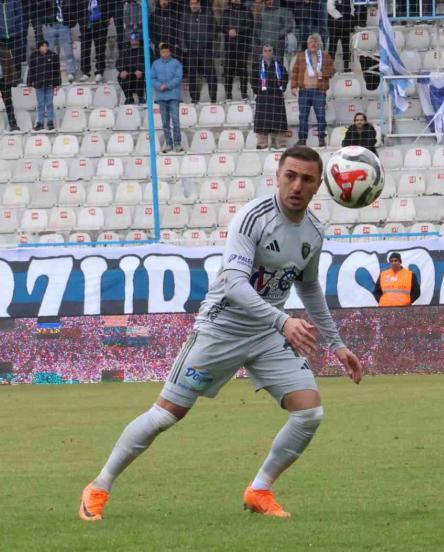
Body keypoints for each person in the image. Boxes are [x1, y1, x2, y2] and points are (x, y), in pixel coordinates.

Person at [78, 145, 364, 522]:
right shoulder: (252, 218)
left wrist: (337, 345)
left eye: (307, 179)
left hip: (266, 334)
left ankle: (259, 490)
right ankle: (98, 486)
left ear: (318, 186)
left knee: (309, 413)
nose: (297, 185)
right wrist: (283, 321)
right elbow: (234, 283)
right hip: (221, 328)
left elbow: (308, 287)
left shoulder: (314, 231)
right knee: (165, 415)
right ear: (278, 177)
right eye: (290, 176)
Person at [291, 33, 334, 147]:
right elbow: (295, 71)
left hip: (319, 91)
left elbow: (332, 71)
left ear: (318, 44)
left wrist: (323, 73)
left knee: (321, 116)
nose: (313, 44)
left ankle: (321, 139)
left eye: (315, 42)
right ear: (307, 44)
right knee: (303, 117)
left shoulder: (325, 56)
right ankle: (302, 140)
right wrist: (293, 86)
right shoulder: (301, 56)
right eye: (310, 42)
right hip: (304, 91)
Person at [252, 44, 288, 149]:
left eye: (270, 50)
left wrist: (282, 88)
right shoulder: (257, 66)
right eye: (265, 51)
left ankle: (280, 143)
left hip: (276, 97)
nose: (268, 53)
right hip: (263, 97)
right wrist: (258, 91)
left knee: (279, 120)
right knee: (262, 120)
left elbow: (285, 77)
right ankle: (262, 143)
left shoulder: (279, 65)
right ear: (262, 53)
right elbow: (253, 80)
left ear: (273, 52)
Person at [183, 0, 218, 103]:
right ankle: (194, 98)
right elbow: (182, 32)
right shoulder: (186, 17)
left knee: (211, 73)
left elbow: (214, 31)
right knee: (192, 75)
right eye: (191, 4)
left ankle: (213, 98)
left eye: (195, 3)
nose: (193, 6)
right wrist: (185, 47)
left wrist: (206, 42)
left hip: (205, 50)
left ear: (199, 4)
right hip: (191, 50)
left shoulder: (208, 15)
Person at [151, 44, 183, 153]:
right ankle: (169, 143)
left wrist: (167, 85)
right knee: (165, 122)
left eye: (167, 52)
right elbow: (152, 78)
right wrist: (159, 86)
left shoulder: (176, 63)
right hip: (161, 96)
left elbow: (178, 77)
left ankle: (177, 143)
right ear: (160, 52)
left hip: (173, 95)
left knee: (175, 120)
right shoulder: (155, 64)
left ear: (170, 52)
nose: (165, 54)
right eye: (163, 52)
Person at [40, 0, 79, 82]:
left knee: (68, 50)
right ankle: (48, 72)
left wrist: (72, 20)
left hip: (64, 24)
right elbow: (41, 5)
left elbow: (73, 6)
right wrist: (45, 20)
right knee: (48, 50)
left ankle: (71, 72)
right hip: (50, 24)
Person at [223, 0, 254, 100]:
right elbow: (222, 26)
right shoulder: (226, 11)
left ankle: (244, 94)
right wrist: (228, 31)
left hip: (242, 45)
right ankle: (228, 94)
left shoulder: (247, 11)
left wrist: (237, 31)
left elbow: (250, 25)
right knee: (229, 70)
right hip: (230, 46)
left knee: (243, 70)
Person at [27, 39, 61, 131]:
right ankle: (40, 123)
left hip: (50, 84)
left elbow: (57, 71)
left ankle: (50, 122)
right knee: (41, 104)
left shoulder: (53, 55)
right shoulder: (34, 56)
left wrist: (58, 83)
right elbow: (31, 71)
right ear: (39, 47)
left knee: (49, 103)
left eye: (46, 46)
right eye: (43, 46)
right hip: (39, 85)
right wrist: (29, 84)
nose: (45, 48)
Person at [0, 0, 24, 78]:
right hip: (1, 36)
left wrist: (16, 27)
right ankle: (5, 78)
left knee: (16, 58)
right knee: (3, 59)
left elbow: (20, 16)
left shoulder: (15, 2)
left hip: (15, 35)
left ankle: (17, 78)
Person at [255, 0, 294, 65]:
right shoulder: (261, 12)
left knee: (278, 65)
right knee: (263, 66)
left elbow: (289, 26)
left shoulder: (283, 11)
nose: (269, 1)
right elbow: (257, 27)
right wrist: (261, 38)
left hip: (278, 44)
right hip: (264, 44)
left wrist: (278, 35)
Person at [80, 0, 108, 83]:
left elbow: (108, 7)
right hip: (86, 24)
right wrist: (81, 22)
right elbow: (78, 9)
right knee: (85, 49)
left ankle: (99, 72)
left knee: (100, 48)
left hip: (99, 24)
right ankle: (85, 72)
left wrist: (105, 20)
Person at [116, 32, 145, 104]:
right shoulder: (125, 51)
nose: (134, 41)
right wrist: (122, 70)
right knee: (120, 76)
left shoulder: (146, 50)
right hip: (129, 76)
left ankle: (141, 98)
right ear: (130, 40)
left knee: (140, 74)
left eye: (136, 39)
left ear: (139, 40)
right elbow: (118, 63)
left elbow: (150, 62)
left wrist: (141, 70)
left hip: (141, 76)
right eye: (132, 39)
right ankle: (129, 98)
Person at [326, 0, 354, 71]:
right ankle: (330, 67)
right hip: (334, 25)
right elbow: (330, 8)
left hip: (345, 26)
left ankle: (346, 67)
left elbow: (352, 9)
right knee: (332, 47)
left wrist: (350, 19)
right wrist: (340, 18)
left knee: (346, 47)